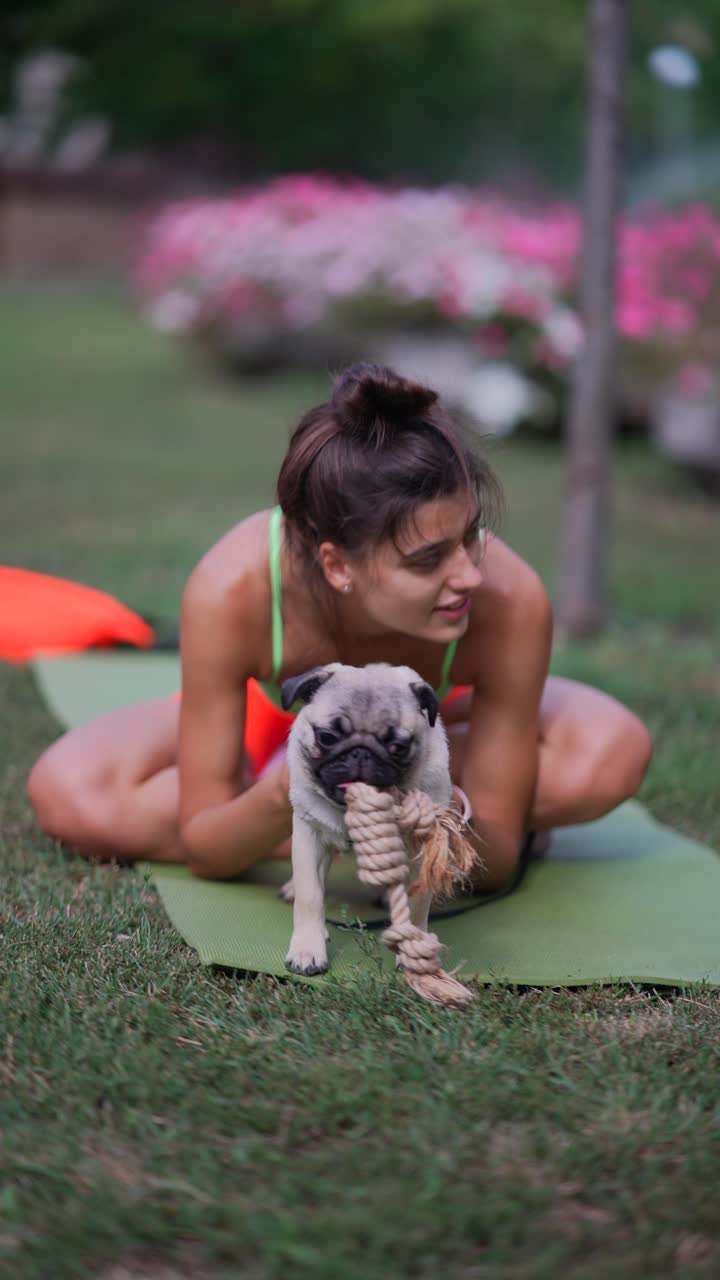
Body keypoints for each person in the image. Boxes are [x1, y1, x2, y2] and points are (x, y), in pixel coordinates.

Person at [27, 363, 653, 891]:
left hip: (427, 732)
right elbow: (208, 846)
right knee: (69, 791)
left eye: (470, 538)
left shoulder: (509, 599)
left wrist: (437, 804)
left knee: (610, 752)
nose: (469, 576)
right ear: (337, 563)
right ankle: (329, 820)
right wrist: (290, 787)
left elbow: (496, 861)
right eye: (428, 559)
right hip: (272, 721)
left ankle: (342, 829)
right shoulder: (233, 590)